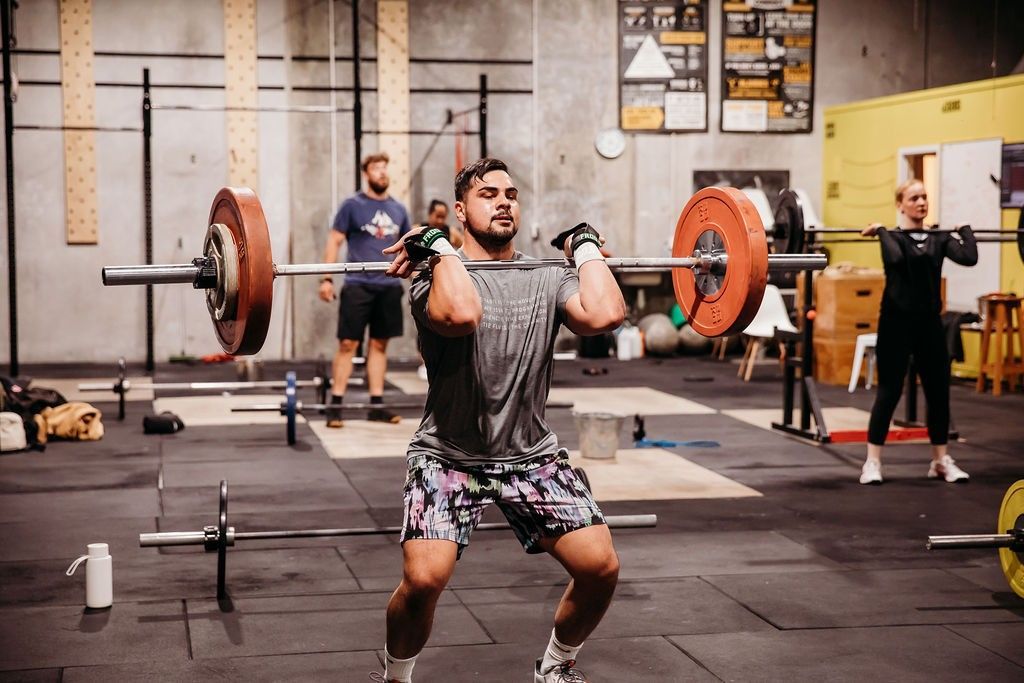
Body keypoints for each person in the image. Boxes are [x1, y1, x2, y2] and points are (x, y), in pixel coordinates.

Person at [374, 158, 626, 683]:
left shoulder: (546, 275)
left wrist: (582, 249)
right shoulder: (430, 277)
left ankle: (555, 667)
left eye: (511, 193)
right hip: (448, 456)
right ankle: (395, 677)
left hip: (531, 454)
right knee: (424, 580)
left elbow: (604, 316)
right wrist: (440, 249)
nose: (504, 200)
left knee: (600, 568)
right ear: (461, 211)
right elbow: (464, 314)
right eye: (488, 194)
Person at [858, 178, 977, 485]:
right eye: (914, 198)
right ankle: (872, 462)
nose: (921, 202)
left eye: (924, 197)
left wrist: (964, 231)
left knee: (938, 391)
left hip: (929, 323)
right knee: (889, 391)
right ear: (901, 204)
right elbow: (895, 259)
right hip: (896, 324)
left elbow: (969, 257)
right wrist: (883, 231)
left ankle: (940, 460)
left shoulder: (938, 237)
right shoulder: (895, 238)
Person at [318, 152, 411, 428]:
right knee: (348, 344)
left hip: (389, 286)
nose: (382, 172)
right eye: (376, 168)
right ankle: (335, 404)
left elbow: (407, 248)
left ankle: (376, 404)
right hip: (358, 285)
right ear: (366, 173)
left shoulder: (399, 210)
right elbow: (334, 241)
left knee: (379, 345)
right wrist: (326, 278)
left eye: (385, 167)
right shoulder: (352, 205)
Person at [415, 200, 462, 381]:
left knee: (444, 321)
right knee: (424, 323)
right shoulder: (419, 229)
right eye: (437, 216)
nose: (441, 220)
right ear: (430, 215)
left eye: (444, 216)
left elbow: (465, 248)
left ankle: (444, 361)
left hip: (445, 284)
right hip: (425, 283)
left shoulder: (451, 232)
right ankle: (423, 361)